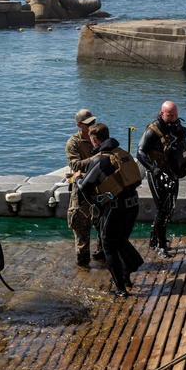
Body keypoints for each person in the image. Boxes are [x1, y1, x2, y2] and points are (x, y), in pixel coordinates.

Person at [76, 123, 144, 297]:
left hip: (115, 208)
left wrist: (77, 178)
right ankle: (126, 277)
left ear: (94, 140)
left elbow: (84, 188)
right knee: (120, 241)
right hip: (133, 205)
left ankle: (120, 289)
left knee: (109, 247)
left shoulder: (99, 159)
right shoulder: (121, 154)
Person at [136, 101, 186, 257]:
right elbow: (140, 152)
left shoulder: (176, 126)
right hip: (157, 174)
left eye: (175, 115)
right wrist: (153, 169)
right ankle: (161, 245)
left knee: (170, 207)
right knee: (163, 209)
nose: (173, 118)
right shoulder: (152, 130)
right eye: (169, 116)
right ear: (161, 114)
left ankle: (154, 239)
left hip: (172, 172)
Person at [66, 109, 103, 266]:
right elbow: (74, 164)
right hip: (82, 189)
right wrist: (96, 159)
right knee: (81, 227)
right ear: (79, 125)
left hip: (100, 187)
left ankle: (102, 255)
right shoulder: (73, 143)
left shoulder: (99, 136)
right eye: (88, 124)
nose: (92, 125)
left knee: (102, 224)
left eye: (93, 122)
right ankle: (82, 263)